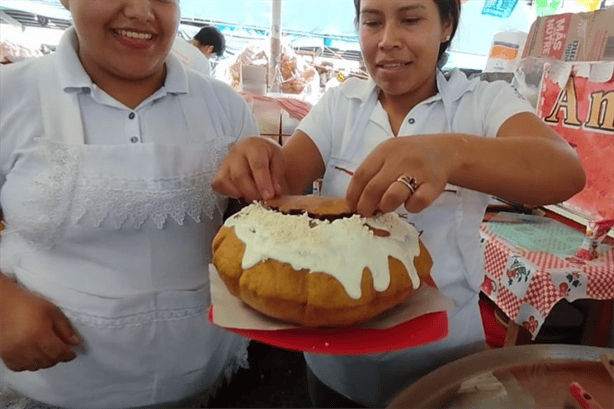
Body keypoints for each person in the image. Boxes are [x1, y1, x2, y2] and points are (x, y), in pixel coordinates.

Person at [211, 0, 586, 407]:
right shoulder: (343, 104)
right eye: (372, 21)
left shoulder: (481, 102)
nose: (388, 40)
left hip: (443, 363)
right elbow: (283, 179)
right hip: (334, 364)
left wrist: (450, 155)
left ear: (447, 26)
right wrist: (260, 155)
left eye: (410, 19)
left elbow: (565, 170)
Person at [0, 0, 258, 408]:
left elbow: (251, 234)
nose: (141, 11)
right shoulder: (10, 94)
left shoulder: (225, 106)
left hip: (195, 372)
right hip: (54, 381)